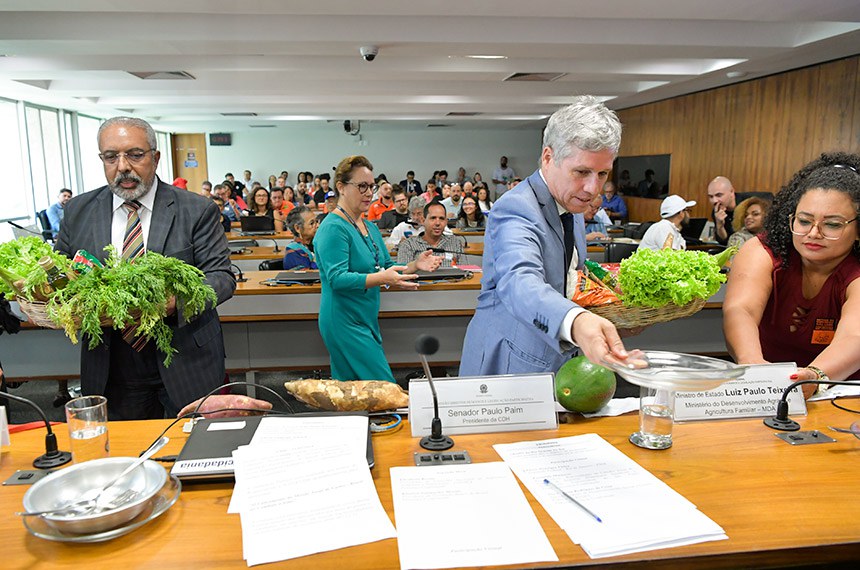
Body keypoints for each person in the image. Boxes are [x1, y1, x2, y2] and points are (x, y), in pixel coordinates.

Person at [54, 116, 235, 420]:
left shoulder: (196, 209)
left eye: (135, 155)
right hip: (113, 361)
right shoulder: (78, 211)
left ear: (156, 157)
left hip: (186, 353)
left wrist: (173, 302)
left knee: (196, 451)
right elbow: (61, 276)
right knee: (127, 456)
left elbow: (222, 279)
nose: (123, 166)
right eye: (111, 156)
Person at [460, 96, 630, 376]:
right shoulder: (515, 207)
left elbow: (566, 274)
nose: (592, 188)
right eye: (582, 171)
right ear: (548, 157)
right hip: (510, 362)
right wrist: (576, 321)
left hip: (556, 360)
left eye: (602, 174)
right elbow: (520, 281)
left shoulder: (572, 201)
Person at [723, 152, 860, 395]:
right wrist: (752, 364)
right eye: (804, 221)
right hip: (762, 389)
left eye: (832, 224)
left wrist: (814, 376)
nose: (813, 233)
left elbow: (854, 336)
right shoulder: (762, 250)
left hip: (840, 393)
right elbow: (740, 309)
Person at [313, 155, 441, 382]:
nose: (368, 192)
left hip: (365, 316)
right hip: (343, 319)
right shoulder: (332, 228)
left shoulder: (370, 227)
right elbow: (337, 279)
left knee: (352, 393)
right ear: (341, 187)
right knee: (384, 386)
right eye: (361, 186)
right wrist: (383, 277)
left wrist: (414, 264)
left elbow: (388, 267)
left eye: (371, 186)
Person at [397, 202, 464, 268]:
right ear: (423, 221)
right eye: (433, 218)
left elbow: (466, 272)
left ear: (446, 222)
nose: (438, 223)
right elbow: (401, 273)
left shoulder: (455, 243)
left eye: (441, 219)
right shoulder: (408, 245)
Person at [707, 176, 769, 245]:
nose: (714, 201)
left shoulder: (749, 202)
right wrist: (720, 226)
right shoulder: (716, 211)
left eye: (719, 195)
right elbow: (724, 241)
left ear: (732, 191)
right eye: (711, 196)